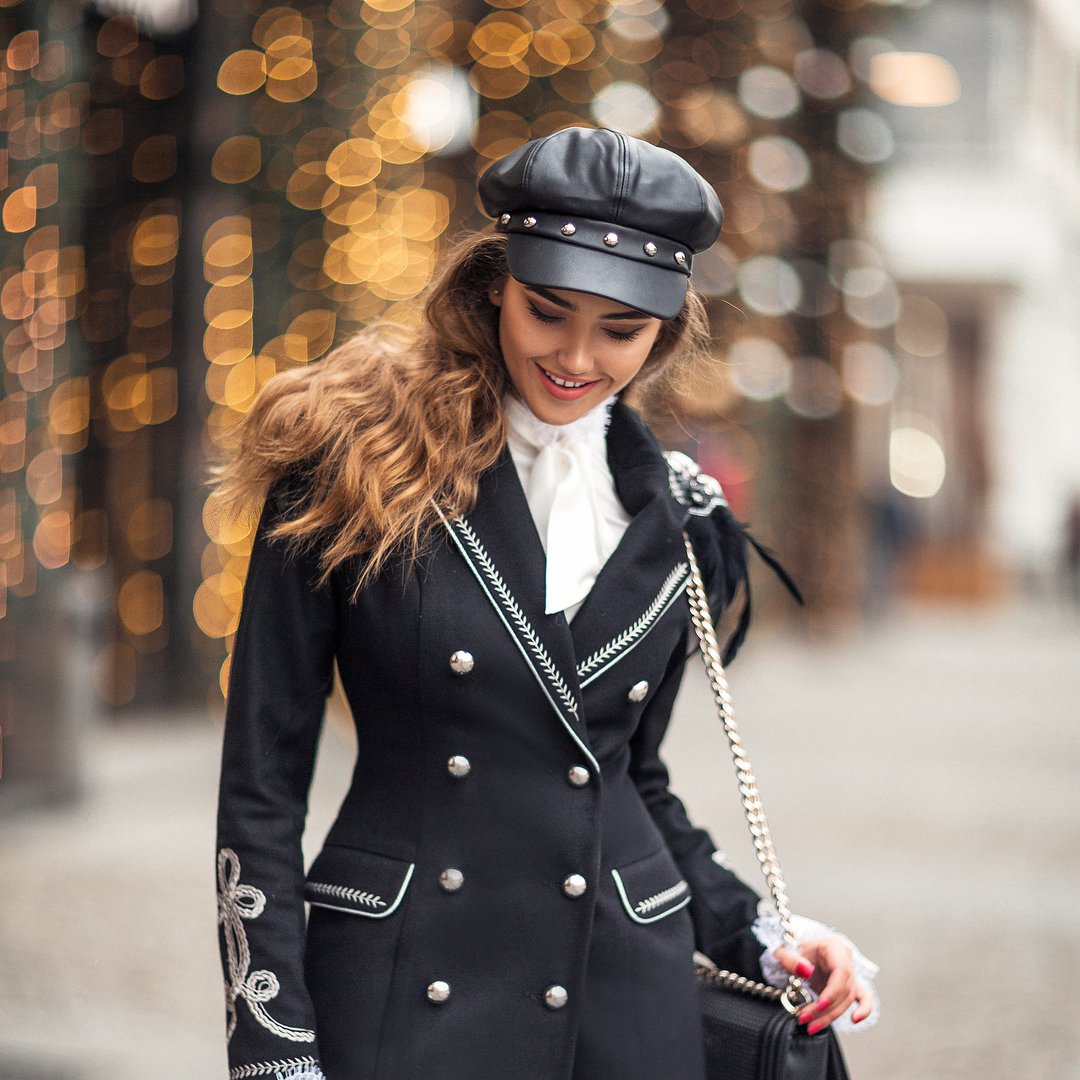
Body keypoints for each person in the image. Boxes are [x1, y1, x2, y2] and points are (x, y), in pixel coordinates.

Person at [210, 126, 879, 1080]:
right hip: (407, 984)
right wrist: (269, 1039)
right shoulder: (348, 459)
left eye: (620, 331)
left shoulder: (684, 514)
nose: (574, 356)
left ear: (666, 332)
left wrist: (758, 932)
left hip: (626, 994)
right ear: (494, 288)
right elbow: (261, 785)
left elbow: (624, 777)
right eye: (548, 311)